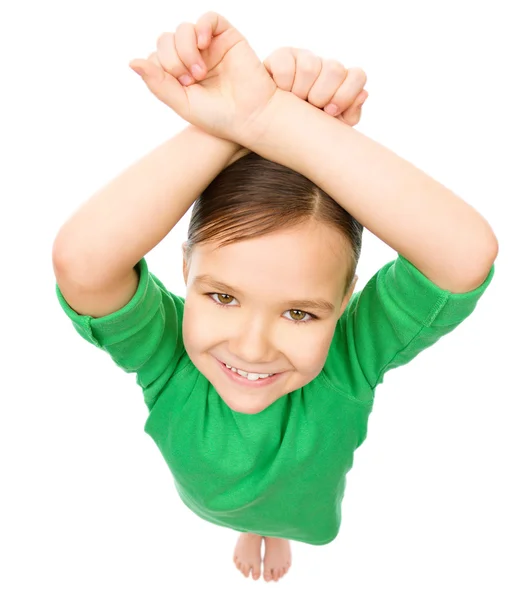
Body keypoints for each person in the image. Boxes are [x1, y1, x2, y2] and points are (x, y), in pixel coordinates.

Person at [51, 12, 498, 584]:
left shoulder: (350, 360)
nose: (252, 346)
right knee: (248, 513)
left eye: (299, 312)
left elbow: (465, 254)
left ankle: (273, 528)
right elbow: (80, 261)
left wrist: (272, 118)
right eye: (222, 297)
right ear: (186, 272)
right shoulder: (169, 358)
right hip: (208, 501)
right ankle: (249, 524)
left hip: (303, 511)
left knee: (282, 513)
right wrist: (235, 123)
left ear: (344, 301)